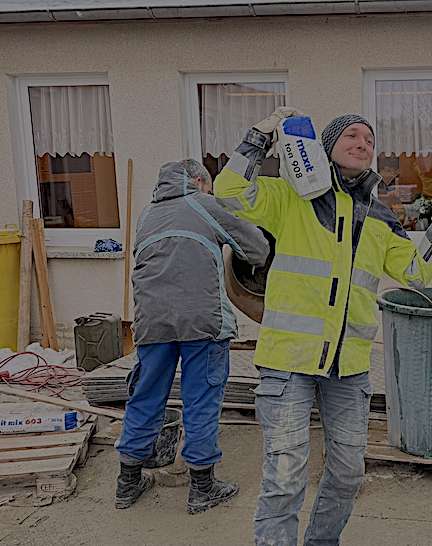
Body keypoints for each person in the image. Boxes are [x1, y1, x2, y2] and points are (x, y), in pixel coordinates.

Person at [214, 109, 432, 545]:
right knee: (285, 475)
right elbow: (230, 192)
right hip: (289, 361)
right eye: (352, 135)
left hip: (348, 367)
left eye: (369, 139)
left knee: (349, 472)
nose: (363, 143)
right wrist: (259, 138)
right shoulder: (291, 198)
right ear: (326, 147)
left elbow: (414, 272)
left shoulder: (380, 216)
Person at [115, 158, 270, 514]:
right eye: (210, 187)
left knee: (145, 396)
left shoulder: (147, 215)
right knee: (200, 399)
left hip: (151, 323)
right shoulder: (203, 203)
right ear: (199, 183)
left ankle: (127, 483)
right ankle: (202, 489)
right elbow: (258, 248)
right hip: (202, 321)